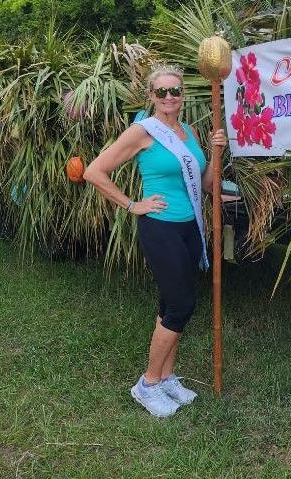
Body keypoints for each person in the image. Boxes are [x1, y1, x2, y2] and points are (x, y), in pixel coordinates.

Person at [84, 65, 227, 418]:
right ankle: (147, 384)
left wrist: (217, 153)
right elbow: (93, 172)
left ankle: (166, 378)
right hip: (160, 227)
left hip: (189, 227)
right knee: (181, 306)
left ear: (183, 95)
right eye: (161, 92)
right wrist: (133, 205)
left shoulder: (188, 131)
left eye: (174, 91)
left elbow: (207, 185)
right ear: (151, 96)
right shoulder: (142, 131)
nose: (168, 97)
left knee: (168, 305)